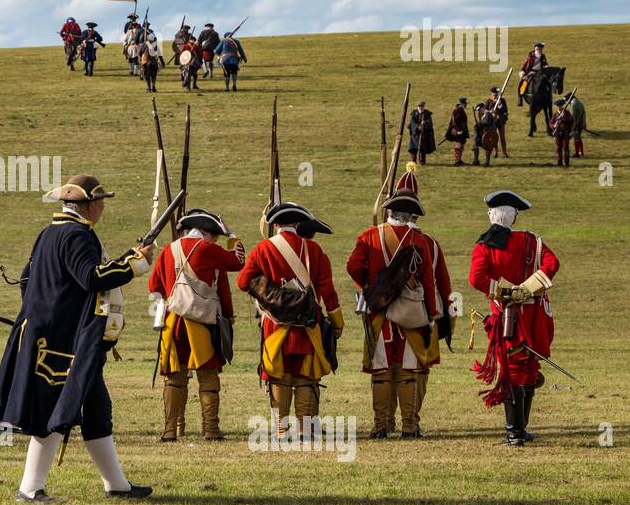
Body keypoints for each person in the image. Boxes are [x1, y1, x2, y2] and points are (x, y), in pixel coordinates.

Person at [0, 174, 156, 503]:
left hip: (53, 334)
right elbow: (91, 278)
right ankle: (30, 488)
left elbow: (27, 279)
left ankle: (116, 485)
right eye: (101, 201)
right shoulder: (78, 236)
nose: (104, 206)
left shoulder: (49, 233)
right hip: (61, 341)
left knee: (96, 410)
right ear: (89, 206)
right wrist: (136, 262)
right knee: (54, 412)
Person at [345, 164, 454, 439]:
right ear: (412, 212)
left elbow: (352, 267)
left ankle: (380, 426)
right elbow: (430, 281)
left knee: (381, 372)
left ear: (390, 210)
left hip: (378, 313)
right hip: (412, 314)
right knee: (409, 371)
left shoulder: (369, 235)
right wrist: (432, 312)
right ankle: (409, 427)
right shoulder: (421, 240)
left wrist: (370, 290)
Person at [238, 203, 344, 441]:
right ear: (297, 224)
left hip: (275, 325)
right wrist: (338, 322)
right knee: (306, 377)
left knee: (279, 376)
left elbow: (243, 281)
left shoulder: (262, 249)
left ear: (275, 225)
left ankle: (281, 430)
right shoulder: (314, 250)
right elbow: (328, 291)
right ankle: (306, 431)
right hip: (308, 325)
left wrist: (269, 292)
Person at [469, 190, 559, 445]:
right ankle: (521, 429)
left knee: (513, 370)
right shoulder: (532, 241)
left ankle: (515, 433)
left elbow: (476, 278)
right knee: (529, 366)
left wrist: (505, 292)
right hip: (534, 316)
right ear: (514, 218)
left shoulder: (484, 246)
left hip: (507, 315)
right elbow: (552, 264)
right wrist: (527, 288)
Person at [147, 208, 245, 442]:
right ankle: (210, 429)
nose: (217, 240)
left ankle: (172, 429)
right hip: (202, 322)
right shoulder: (209, 249)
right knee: (208, 376)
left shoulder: (169, 250)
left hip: (174, 322)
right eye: (216, 236)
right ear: (207, 233)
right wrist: (233, 236)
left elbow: (154, 285)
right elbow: (238, 261)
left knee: (174, 377)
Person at [518, 41, 548, 106]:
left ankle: (548, 96)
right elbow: (525, 63)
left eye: (542, 48)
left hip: (539, 72)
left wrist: (546, 67)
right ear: (536, 48)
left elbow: (545, 63)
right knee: (523, 82)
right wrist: (522, 71)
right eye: (540, 48)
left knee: (547, 81)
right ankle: (520, 97)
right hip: (530, 72)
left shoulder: (543, 56)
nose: (542, 49)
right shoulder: (531, 55)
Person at [484, 86, 510, 158]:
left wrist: (500, 104)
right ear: (492, 93)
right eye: (494, 92)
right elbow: (485, 110)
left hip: (500, 121)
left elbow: (505, 110)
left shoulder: (502, 100)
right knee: (494, 137)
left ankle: (504, 153)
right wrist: (490, 111)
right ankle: (496, 152)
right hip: (492, 122)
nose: (495, 94)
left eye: (496, 93)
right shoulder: (488, 101)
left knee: (502, 137)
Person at [407, 101, 436, 165]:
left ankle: (422, 161)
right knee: (413, 149)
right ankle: (413, 162)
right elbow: (412, 122)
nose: (420, 107)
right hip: (415, 134)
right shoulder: (414, 113)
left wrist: (424, 124)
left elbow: (430, 123)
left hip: (423, 135)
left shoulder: (427, 114)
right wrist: (417, 127)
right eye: (419, 106)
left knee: (423, 149)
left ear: (424, 106)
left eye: (422, 106)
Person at [444, 97, 470, 166]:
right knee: (458, 144)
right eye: (465, 104)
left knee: (461, 144)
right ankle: (457, 161)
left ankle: (459, 160)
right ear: (462, 104)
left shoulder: (460, 109)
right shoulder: (459, 110)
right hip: (458, 131)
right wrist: (459, 130)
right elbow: (455, 122)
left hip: (461, 130)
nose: (466, 105)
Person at [472, 98, 498, 166]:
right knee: (475, 144)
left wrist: (478, 124)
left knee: (488, 148)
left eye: (480, 110)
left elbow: (486, 123)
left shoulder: (488, 114)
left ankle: (487, 162)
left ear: (483, 108)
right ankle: (476, 160)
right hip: (483, 134)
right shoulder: (483, 115)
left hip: (489, 134)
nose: (479, 111)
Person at [550, 98, 574, 167]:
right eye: (558, 106)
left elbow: (572, 120)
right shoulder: (555, 114)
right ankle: (559, 162)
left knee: (566, 147)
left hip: (565, 133)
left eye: (561, 106)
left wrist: (564, 118)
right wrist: (554, 125)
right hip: (557, 133)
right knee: (558, 148)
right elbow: (551, 123)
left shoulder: (567, 113)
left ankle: (566, 162)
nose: (560, 107)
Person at [138, 25, 162, 93]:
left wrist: (140, 59)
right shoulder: (156, 45)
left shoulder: (145, 44)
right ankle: (153, 87)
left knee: (146, 75)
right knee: (154, 76)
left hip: (145, 62)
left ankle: (149, 88)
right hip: (154, 62)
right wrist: (163, 63)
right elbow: (160, 55)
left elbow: (140, 53)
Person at [568, 94, 586, 158]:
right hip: (581, 124)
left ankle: (577, 154)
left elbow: (573, 117)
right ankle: (581, 152)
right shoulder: (580, 102)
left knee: (576, 139)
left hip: (576, 125)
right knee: (578, 138)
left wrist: (573, 126)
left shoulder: (573, 105)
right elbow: (583, 114)